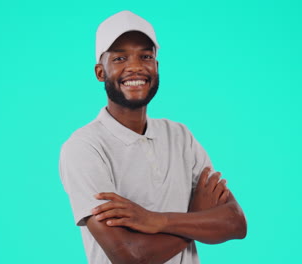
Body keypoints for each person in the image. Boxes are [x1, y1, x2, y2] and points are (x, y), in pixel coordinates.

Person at [59, 10, 247, 264]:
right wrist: (195, 217)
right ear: (100, 72)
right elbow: (130, 257)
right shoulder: (85, 148)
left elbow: (235, 222)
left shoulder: (180, 136)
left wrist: (156, 220)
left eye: (146, 56)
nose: (135, 66)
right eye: (120, 58)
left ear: (156, 66)